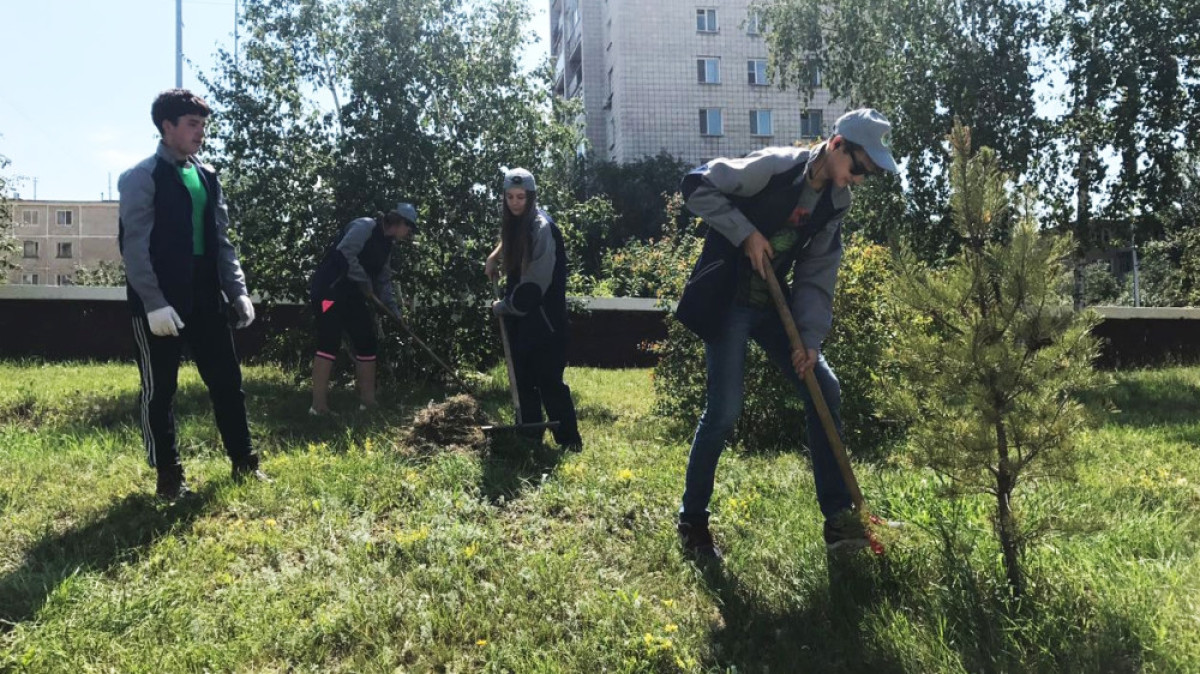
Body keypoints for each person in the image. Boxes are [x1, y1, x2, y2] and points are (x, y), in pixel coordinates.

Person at [673, 109, 900, 560]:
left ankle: (840, 520)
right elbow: (696, 185)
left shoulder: (836, 203)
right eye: (858, 167)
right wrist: (745, 234)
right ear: (837, 145)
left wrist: (809, 340)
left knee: (823, 387)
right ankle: (692, 521)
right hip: (729, 300)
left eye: (867, 176)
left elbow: (818, 272)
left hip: (773, 307)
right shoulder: (776, 168)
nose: (858, 180)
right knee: (724, 410)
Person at [118, 88, 268, 501]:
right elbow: (134, 247)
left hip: (205, 295)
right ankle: (169, 477)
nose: (200, 132)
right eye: (192, 124)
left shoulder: (207, 176)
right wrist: (153, 303)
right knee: (160, 391)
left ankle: (244, 462)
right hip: (160, 301)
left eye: (203, 125)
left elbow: (221, 241)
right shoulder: (141, 177)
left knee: (227, 382)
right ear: (167, 127)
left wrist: (237, 291)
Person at [484, 168, 583, 451]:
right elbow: (512, 237)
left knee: (548, 380)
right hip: (522, 319)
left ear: (531, 197)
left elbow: (534, 286)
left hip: (544, 320)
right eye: (510, 197)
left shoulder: (542, 228)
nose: (515, 202)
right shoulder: (519, 222)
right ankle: (530, 438)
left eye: (521, 197)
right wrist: (494, 256)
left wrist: (504, 306)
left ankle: (569, 442)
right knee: (523, 379)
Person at [308, 204, 417, 415]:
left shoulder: (387, 246)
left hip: (352, 296)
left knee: (367, 342)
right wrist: (365, 282)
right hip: (329, 292)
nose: (409, 233)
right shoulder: (365, 226)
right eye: (409, 227)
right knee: (329, 341)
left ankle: (368, 403)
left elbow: (384, 281)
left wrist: (396, 314)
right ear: (400, 222)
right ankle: (318, 406)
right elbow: (344, 253)